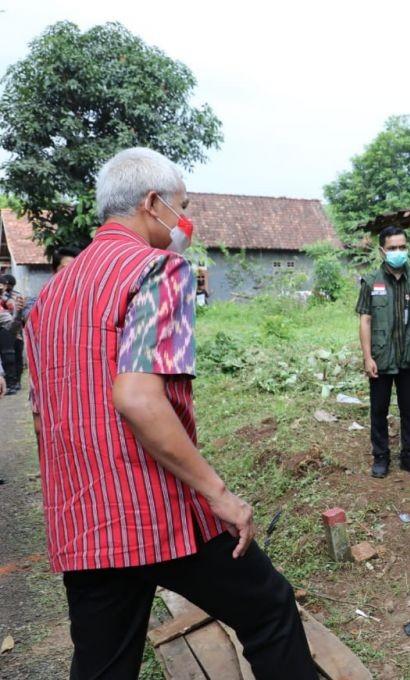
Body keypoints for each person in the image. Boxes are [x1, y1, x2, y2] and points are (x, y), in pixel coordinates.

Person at [24, 147, 315, 679]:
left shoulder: (49, 296)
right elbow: (136, 397)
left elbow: (43, 420)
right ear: (152, 203)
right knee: (269, 610)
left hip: (84, 520)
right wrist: (220, 495)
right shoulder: (159, 270)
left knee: (102, 667)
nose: (187, 222)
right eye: (182, 206)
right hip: (154, 510)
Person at [356, 225, 410, 478]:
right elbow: (365, 320)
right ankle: (381, 458)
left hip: (409, 357)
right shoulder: (370, 282)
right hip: (381, 357)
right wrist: (367, 357)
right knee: (379, 409)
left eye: (402, 247)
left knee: (409, 409)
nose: (398, 252)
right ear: (382, 250)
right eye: (392, 248)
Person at [0, 274, 25, 395]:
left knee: (12, 356)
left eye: (6, 285)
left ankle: (14, 383)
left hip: (10, 330)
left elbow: (13, 323)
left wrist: (19, 314)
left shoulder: (13, 297)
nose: (4, 288)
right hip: (9, 329)